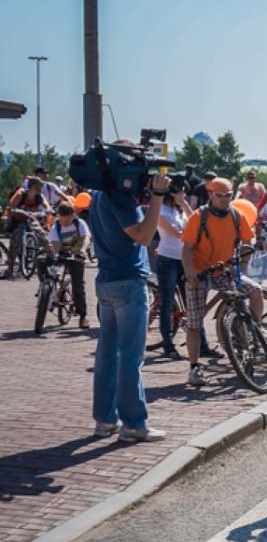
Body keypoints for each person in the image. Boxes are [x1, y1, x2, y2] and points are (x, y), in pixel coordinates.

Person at [88, 171, 172, 442]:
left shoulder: (98, 194)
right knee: (130, 357)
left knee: (107, 354)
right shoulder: (119, 197)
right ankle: (134, 424)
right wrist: (158, 198)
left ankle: (105, 420)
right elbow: (144, 236)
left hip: (106, 280)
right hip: (128, 282)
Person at [180, 178, 263, 388]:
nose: (224, 200)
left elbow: (248, 240)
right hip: (200, 271)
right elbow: (187, 248)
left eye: (228, 195)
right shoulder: (199, 217)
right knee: (194, 323)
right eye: (219, 195)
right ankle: (194, 367)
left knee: (255, 291)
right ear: (210, 194)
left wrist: (243, 263)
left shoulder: (237, 215)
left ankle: (253, 333)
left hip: (225, 269)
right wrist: (189, 271)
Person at [155, 183, 197, 358]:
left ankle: (200, 344)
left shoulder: (178, 210)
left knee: (192, 303)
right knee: (167, 302)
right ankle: (168, 344)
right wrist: (191, 233)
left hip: (183, 259)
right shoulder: (161, 210)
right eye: (181, 191)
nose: (184, 193)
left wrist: (185, 204)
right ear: (172, 193)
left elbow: (195, 221)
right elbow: (177, 233)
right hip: (167, 259)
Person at [45, 200, 91, 329]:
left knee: (78, 286)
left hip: (77, 255)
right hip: (62, 254)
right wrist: (56, 251)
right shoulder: (57, 226)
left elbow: (86, 238)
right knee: (44, 264)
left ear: (73, 215)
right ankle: (47, 292)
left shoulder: (79, 223)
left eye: (66, 220)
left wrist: (82, 251)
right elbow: (54, 242)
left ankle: (83, 317)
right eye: (61, 220)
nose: (64, 223)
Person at [5, 178, 50, 278]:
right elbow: (11, 206)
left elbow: (47, 206)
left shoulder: (39, 197)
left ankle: (49, 263)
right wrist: (16, 210)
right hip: (18, 220)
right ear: (33, 185)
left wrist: (49, 210)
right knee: (16, 243)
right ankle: (10, 267)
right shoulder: (21, 193)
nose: (42, 187)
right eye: (40, 185)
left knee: (44, 237)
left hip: (32, 220)